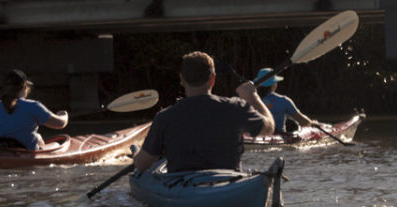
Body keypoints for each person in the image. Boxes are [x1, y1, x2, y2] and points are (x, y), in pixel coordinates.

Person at [130, 52, 276, 175]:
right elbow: (269, 128)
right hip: (228, 183)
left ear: (182, 79)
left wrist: (136, 154)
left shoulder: (164, 117)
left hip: (182, 188)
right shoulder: (236, 107)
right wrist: (253, 97)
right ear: (212, 79)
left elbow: (142, 165)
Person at [0, 69, 68, 150]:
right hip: (26, 153)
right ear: (25, 87)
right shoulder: (33, 106)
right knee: (56, 144)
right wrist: (64, 115)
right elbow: (59, 124)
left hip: (1, 152)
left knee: (38, 137)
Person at [253, 67, 303, 136]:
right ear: (274, 84)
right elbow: (302, 121)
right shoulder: (284, 101)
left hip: (253, 135)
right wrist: (312, 123)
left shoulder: (249, 99)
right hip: (277, 136)